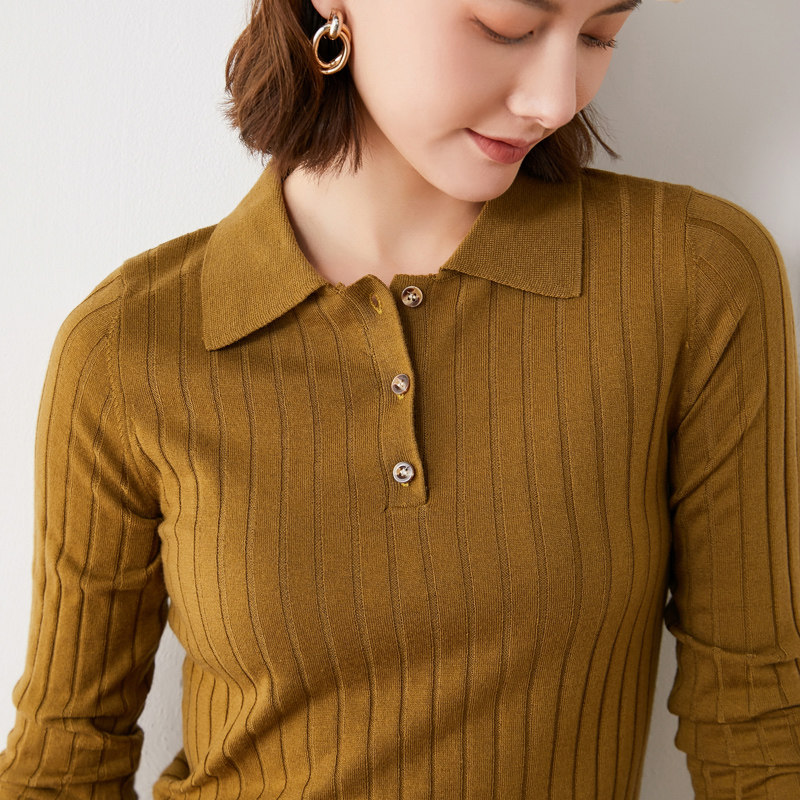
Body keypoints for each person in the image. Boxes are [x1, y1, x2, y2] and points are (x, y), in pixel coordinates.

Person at [1, 0, 799, 797]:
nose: (557, 101)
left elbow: (760, 730)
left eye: (600, 35)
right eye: (507, 27)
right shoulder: (127, 349)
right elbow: (62, 767)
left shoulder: (693, 280)